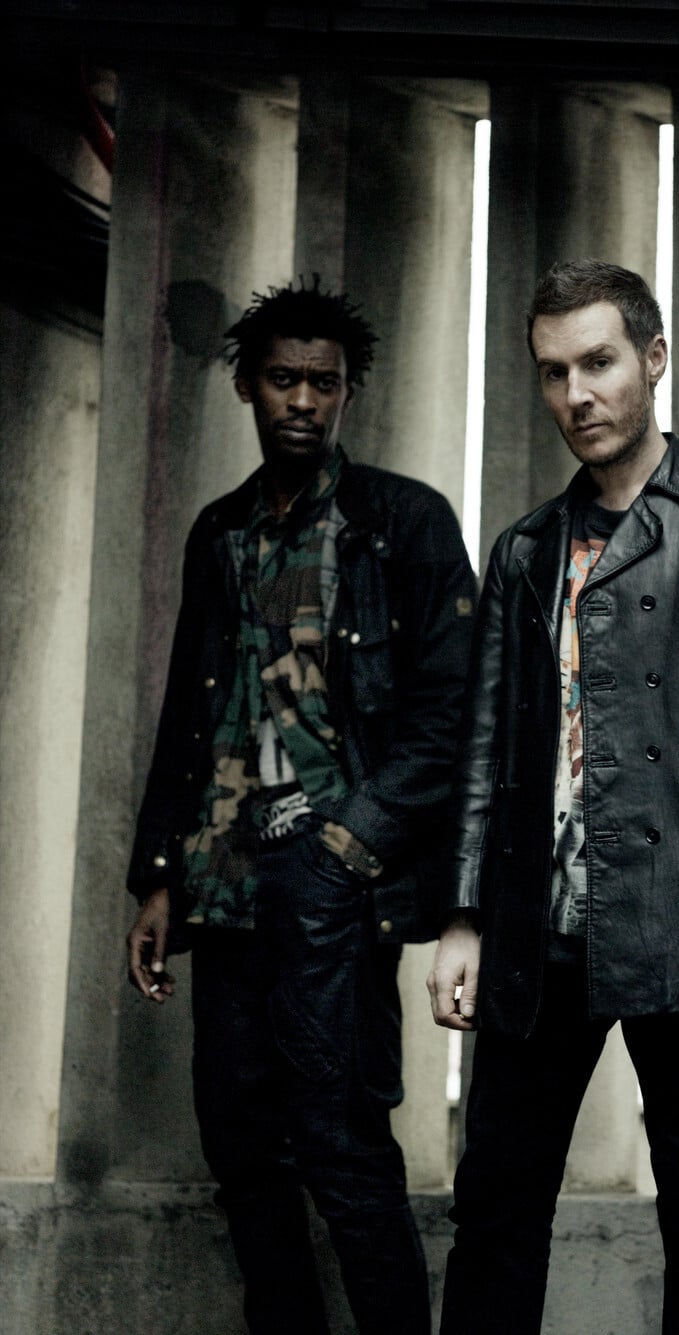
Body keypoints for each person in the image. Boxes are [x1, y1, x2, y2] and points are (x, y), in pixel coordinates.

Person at [427, 259, 679, 1334]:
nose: (576, 394)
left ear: (652, 360)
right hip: (535, 928)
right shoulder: (524, 550)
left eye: (598, 363)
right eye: (553, 372)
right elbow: (485, 747)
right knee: (494, 1207)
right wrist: (461, 915)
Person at [126, 278, 477, 1335]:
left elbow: (450, 713)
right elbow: (191, 713)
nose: (304, 401)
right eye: (284, 379)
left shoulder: (401, 523)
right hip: (225, 876)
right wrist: (157, 878)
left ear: (347, 393)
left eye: (324, 383)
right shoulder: (220, 531)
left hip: (333, 880)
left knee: (344, 1149)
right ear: (247, 385)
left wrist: (347, 843)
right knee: (241, 1150)